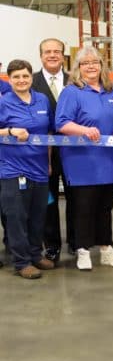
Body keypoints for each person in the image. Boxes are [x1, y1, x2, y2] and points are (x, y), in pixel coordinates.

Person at [55, 45, 113, 271]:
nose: (91, 67)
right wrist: (83, 130)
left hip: (110, 160)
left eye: (95, 62)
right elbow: (62, 123)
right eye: (85, 64)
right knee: (83, 208)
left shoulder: (112, 92)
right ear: (78, 68)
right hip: (82, 161)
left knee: (105, 208)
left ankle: (106, 248)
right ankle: (83, 250)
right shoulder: (72, 92)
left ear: (102, 66)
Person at [0, 60, 53, 279]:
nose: (21, 80)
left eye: (25, 76)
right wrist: (10, 131)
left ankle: (35, 254)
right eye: (16, 77)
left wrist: (49, 162)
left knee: (38, 215)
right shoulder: (4, 102)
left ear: (31, 77)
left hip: (39, 168)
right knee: (16, 217)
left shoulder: (41, 99)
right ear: (9, 79)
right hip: (13, 170)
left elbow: (48, 133)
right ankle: (21, 262)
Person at [32, 37, 75, 263]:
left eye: (56, 51)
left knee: (75, 197)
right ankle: (52, 245)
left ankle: (77, 243)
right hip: (42, 153)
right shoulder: (31, 81)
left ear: (63, 55)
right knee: (48, 200)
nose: (52, 55)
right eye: (47, 52)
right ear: (40, 55)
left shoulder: (74, 81)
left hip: (74, 152)